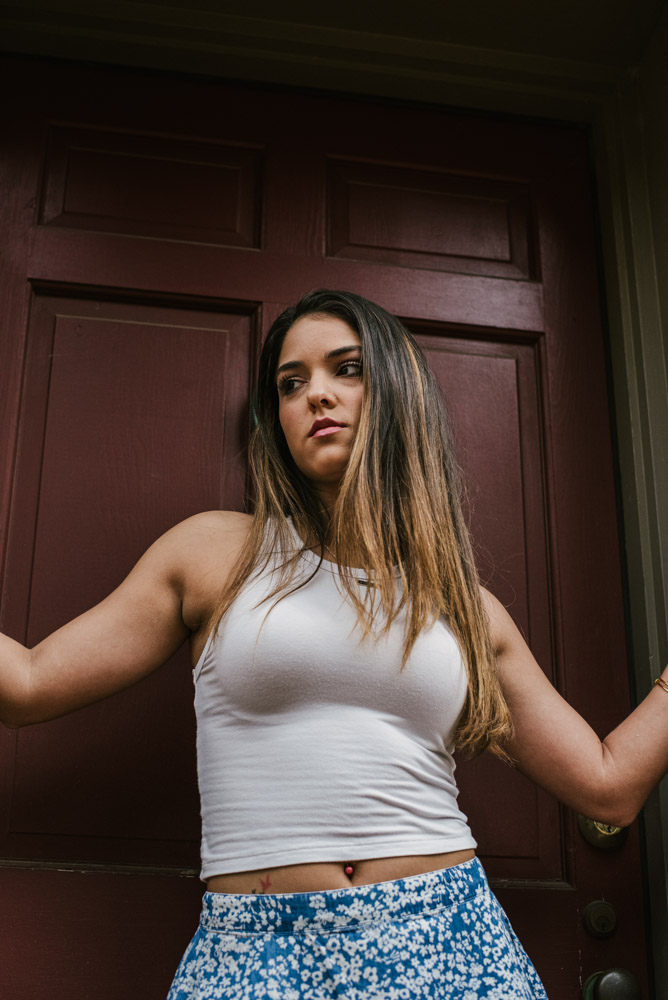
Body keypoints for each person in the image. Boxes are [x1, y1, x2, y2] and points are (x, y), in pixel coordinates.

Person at [1, 288, 667, 1000]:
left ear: (398, 394)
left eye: (347, 369)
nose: (316, 394)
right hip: (255, 953)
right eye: (291, 384)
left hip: (448, 941)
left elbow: (608, 787)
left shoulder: (466, 607)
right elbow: (28, 684)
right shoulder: (214, 554)